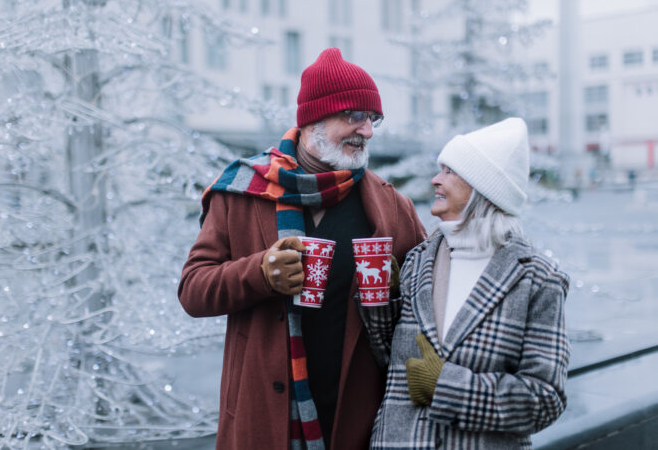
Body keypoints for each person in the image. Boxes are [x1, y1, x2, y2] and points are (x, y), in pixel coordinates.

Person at [178, 47, 426, 450]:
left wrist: (400, 293)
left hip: (361, 420)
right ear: (312, 119)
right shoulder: (242, 191)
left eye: (373, 119)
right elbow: (192, 291)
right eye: (354, 116)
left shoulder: (391, 206)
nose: (367, 131)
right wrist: (260, 273)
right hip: (264, 417)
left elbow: (429, 304)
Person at [362, 118, 570, 449]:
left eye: (448, 171)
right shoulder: (419, 260)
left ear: (480, 186)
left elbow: (545, 399)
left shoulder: (536, 279)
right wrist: (382, 298)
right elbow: (397, 366)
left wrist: (447, 387)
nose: (435, 179)